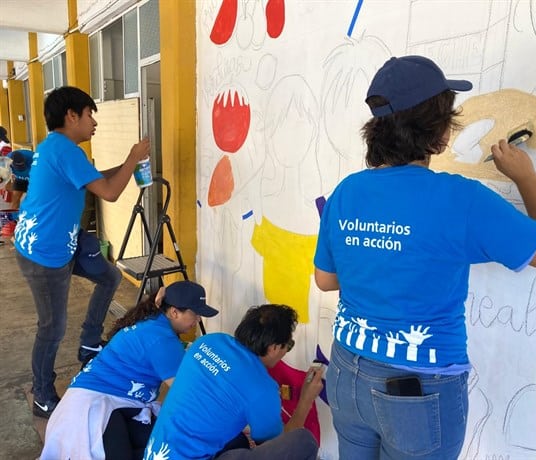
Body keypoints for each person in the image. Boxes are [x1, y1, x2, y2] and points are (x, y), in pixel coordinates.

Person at [313, 55, 536, 460]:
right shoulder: (462, 201)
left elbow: (326, 279)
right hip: (415, 391)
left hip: (347, 371)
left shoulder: (347, 191)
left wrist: (378, 259)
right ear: (438, 136)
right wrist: (526, 177)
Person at [13, 86, 150, 419]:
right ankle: (43, 394)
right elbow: (110, 194)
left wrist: (125, 165)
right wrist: (133, 157)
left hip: (61, 243)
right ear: (71, 116)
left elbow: (92, 179)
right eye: (90, 115)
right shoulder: (66, 151)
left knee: (109, 276)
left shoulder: (56, 148)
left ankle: (90, 341)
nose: (94, 123)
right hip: (44, 254)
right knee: (52, 327)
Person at [40, 280, 219, 460]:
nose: (198, 320)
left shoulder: (153, 320)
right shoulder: (162, 340)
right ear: (174, 312)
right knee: (176, 444)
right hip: (93, 410)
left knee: (158, 443)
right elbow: (190, 394)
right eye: (195, 314)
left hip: (97, 403)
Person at [146, 304, 323, 460]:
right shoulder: (263, 389)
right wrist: (306, 400)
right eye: (288, 346)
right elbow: (276, 443)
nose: (286, 351)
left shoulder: (207, 342)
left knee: (239, 441)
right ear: (273, 348)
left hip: (156, 452)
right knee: (303, 442)